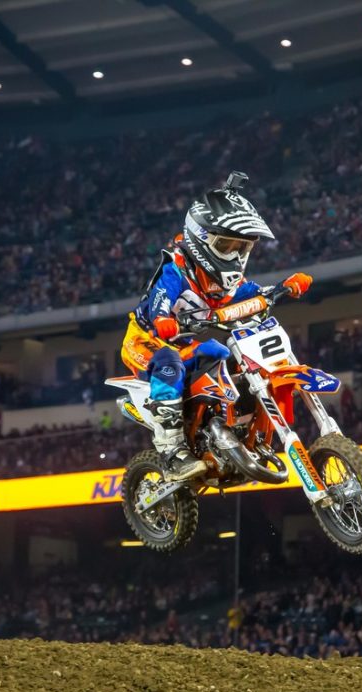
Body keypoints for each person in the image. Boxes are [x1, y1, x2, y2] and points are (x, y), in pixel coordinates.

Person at [120, 171, 313, 480]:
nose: (235, 254)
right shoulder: (176, 271)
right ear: (201, 238)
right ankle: (172, 450)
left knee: (223, 356)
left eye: (242, 247)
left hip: (185, 343)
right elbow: (160, 299)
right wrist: (163, 319)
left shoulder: (225, 281)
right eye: (227, 245)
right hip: (147, 342)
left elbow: (253, 293)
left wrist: (284, 287)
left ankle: (221, 430)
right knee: (169, 363)